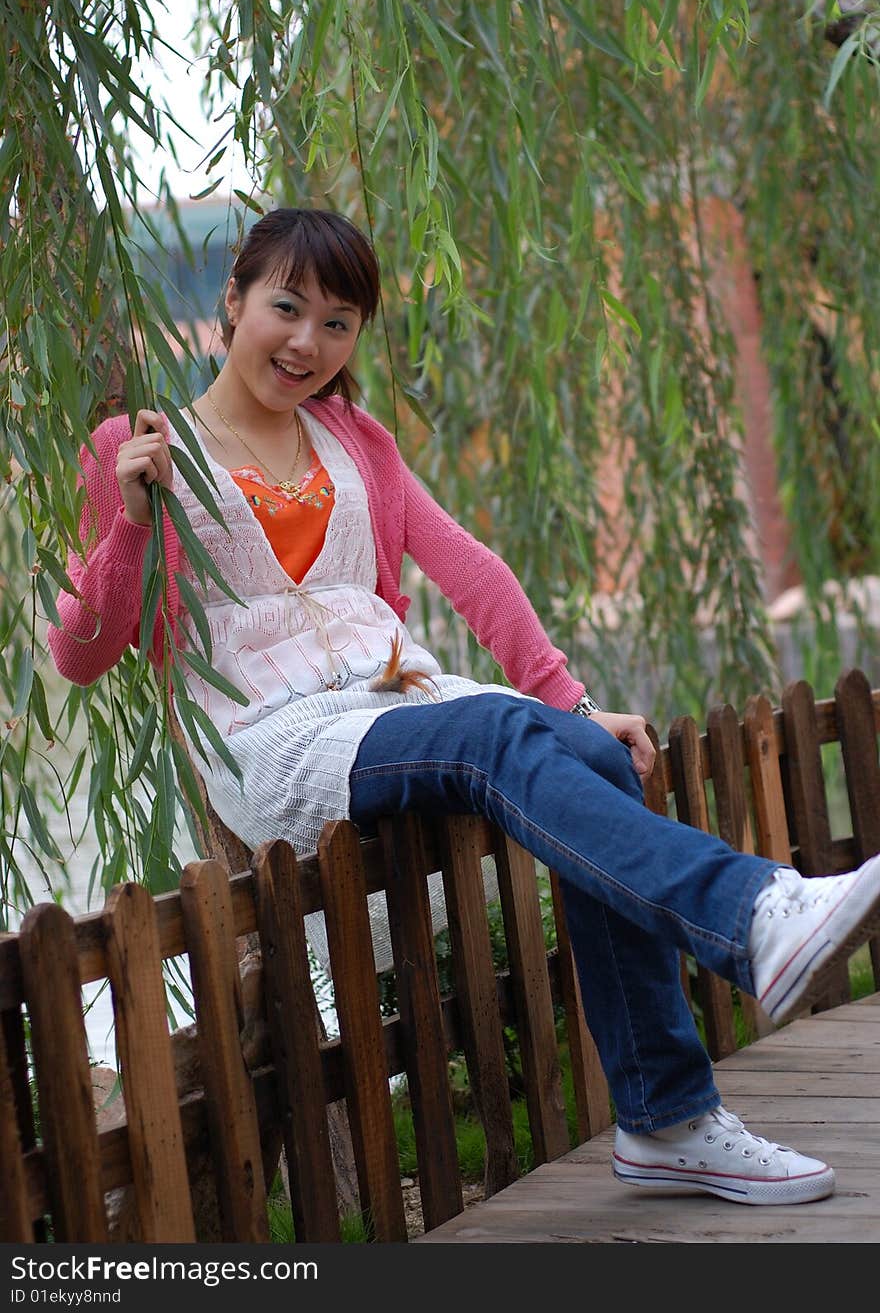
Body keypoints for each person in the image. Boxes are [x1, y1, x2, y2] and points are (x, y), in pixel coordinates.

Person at [49, 207, 880, 1209]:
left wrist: (575, 704)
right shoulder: (141, 449)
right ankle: (752, 911)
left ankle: (668, 1119)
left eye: (339, 322)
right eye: (285, 308)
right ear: (233, 301)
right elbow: (83, 650)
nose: (308, 343)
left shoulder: (353, 437)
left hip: (401, 695)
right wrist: (134, 526)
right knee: (495, 733)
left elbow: (469, 568)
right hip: (272, 735)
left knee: (599, 761)